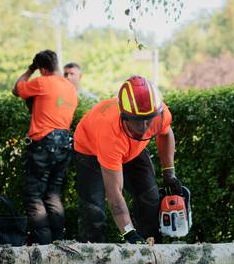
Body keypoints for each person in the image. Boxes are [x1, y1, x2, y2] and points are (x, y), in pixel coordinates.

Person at [72, 75, 183, 243]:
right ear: (125, 117)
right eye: (139, 121)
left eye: (149, 120)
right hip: (90, 151)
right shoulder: (110, 133)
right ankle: (94, 258)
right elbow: (115, 192)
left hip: (132, 149)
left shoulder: (159, 111)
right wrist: (128, 232)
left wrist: (169, 173)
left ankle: (152, 250)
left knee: (150, 198)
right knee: (94, 212)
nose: (145, 128)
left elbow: (166, 134)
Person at [12, 49, 78, 244]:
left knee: (34, 196)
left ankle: (44, 246)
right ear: (56, 64)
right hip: (64, 144)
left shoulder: (41, 82)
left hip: (43, 143)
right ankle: (59, 242)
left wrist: (29, 70)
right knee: (53, 195)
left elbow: (16, 89)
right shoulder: (69, 87)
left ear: (40, 68)